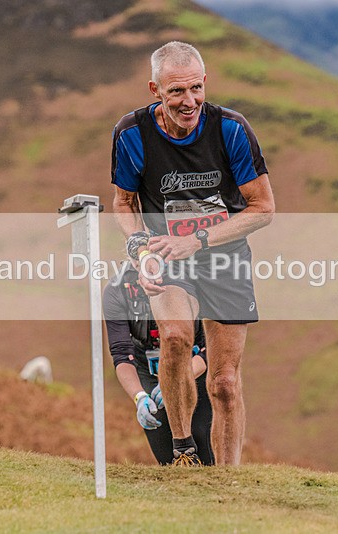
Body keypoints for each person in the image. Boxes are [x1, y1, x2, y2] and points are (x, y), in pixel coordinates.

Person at [111, 41, 275, 465]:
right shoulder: (131, 133)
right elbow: (124, 204)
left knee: (223, 382)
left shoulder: (231, 129)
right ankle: (183, 450)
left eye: (196, 89)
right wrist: (138, 247)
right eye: (177, 92)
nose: (190, 102)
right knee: (177, 336)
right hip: (166, 256)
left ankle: (228, 479)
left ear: (206, 82)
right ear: (155, 91)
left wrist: (199, 240)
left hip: (224, 256)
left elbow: (262, 209)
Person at [103, 264, 214, 465]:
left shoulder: (193, 277)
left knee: (201, 438)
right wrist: (139, 397)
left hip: (192, 366)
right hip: (147, 368)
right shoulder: (117, 289)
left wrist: (176, 381)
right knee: (165, 450)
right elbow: (121, 354)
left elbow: (209, 349)